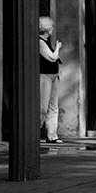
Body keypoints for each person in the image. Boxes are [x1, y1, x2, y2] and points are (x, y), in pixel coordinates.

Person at [38, 15, 63, 144]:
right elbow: (52, 57)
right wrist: (58, 47)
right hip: (44, 76)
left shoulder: (46, 41)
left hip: (53, 76)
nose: (53, 28)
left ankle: (52, 135)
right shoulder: (40, 41)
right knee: (43, 107)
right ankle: (34, 132)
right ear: (47, 28)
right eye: (51, 26)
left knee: (53, 107)